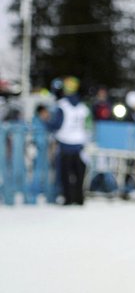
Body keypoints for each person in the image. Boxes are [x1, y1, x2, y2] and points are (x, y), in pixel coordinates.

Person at [46, 76, 90, 205]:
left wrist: (46, 123)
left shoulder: (62, 105)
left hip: (65, 144)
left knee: (65, 174)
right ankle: (79, 198)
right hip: (79, 144)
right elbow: (88, 125)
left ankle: (68, 198)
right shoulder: (83, 106)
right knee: (79, 174)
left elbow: (56, 125)